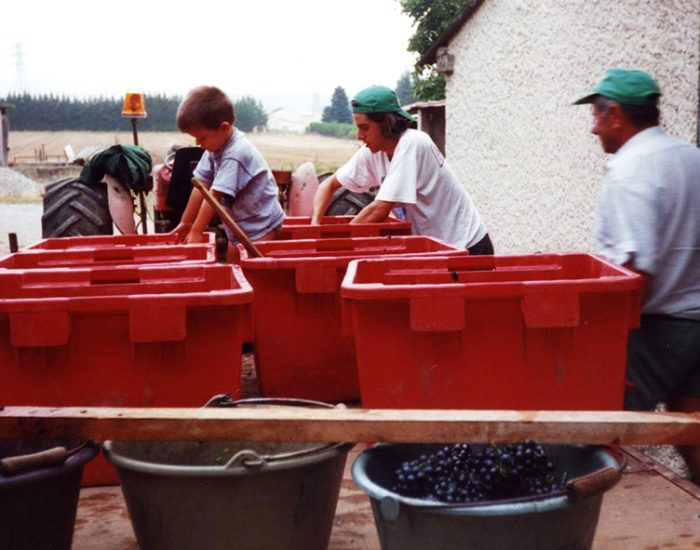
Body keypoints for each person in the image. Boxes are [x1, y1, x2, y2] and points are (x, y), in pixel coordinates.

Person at [575, 68, 700, 482]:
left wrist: (599, 335)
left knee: (594, 434)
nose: (594, 129)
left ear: (616, 114)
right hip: (695, 323)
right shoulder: (690, 157)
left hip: (652, 330)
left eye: (596, 115)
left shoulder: (630, 170)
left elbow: (634, 271)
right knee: (693, 432)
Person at [311, 85, 493, 254]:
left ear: (386, 123)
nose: (359, 136)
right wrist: (314, 228)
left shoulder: (413, 143)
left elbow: (379, 210)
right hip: (437, 248)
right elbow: (329, 185)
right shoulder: (374, 152)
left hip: (467, 245)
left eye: (365, 128)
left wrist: (336, 246)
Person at [172, 86, 284, 254]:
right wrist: (186, 222)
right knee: (232, 273)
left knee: (250, 276)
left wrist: (196, 231)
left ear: (224, 128)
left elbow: (213, 196)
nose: (197, 143)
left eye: (202, 137)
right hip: (238, 228)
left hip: (262, 228)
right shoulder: (215, 147)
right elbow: (200, 186)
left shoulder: (236, 153)